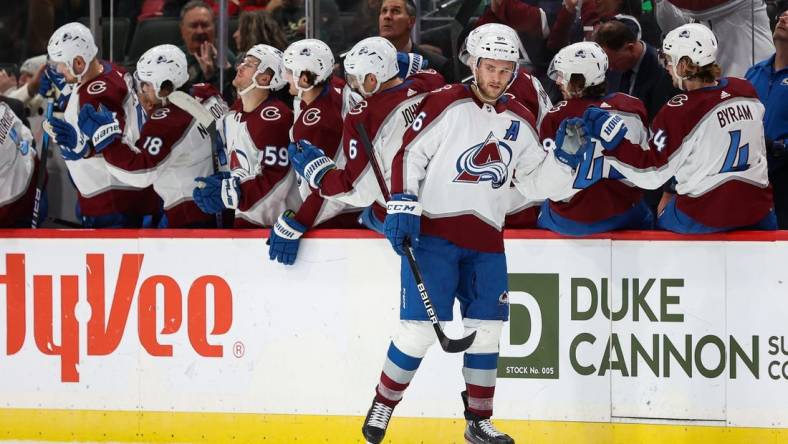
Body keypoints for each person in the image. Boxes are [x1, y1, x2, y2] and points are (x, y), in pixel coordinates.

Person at [353, 25, 566, 444]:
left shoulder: (518, 120)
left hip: (488, 240)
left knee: (487, 330)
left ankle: (478, 421)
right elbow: (409, 153)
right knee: (416, 332)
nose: (497, 79)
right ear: (473, 63)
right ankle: (383, 402)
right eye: (490, 68)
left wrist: (567, 163)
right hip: (435, 236)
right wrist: (402, 204)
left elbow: (538, 182)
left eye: (506, 71)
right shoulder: (444, 103)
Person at [587, 23, 775, 233]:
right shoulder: (745, 88)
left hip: (704, 215)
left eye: (669, 60)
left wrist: (615, 144)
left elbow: (650, 173)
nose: (666, 67)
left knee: (656, 217)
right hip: (759, 210)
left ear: (684, 65)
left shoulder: (678, 110)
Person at [286, 36, 445, 245]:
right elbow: (417, 67)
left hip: (402, 211)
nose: (352, 85)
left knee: (367, 214)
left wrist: (322, 175)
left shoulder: (364, 116)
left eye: (356, 78)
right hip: (444, 195)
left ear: (372, 79)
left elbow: (359, 191)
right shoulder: (431, 80)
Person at [85, 45, 222, 228]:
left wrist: (109, 143)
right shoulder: (207, 93)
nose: (142, 90)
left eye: (146, 84)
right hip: (222, 202)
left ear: (163, 88)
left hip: (190, 215)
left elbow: (141, 172)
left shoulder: (167, 122)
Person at [43, 22, 160, 228]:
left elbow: (113, 143)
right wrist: (68, 92)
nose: (59, 69)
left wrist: (85, 148)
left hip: (112, 199)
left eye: (62, 63)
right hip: (120, 195)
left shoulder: (97, 95)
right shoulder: (109, 69)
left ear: (79, 62)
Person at [535, 41, 653, 235]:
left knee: (542, 207)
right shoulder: (632, 106)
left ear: (578, 80)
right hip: (625, 213)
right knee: (645, 214)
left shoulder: (555, 117)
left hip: (570, 221)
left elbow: (547, 180)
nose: (557, 81)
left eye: (562, 75)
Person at [267, 39, 360, 265]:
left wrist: (300, 221)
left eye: (289, 71)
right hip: (354, 208)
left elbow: (325, 185)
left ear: (306, 79)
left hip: (338, 217)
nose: (285, 76)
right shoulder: (334, 87)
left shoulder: (314, 124)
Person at [192, 44, 299, 227]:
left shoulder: (275, 118)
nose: (240, 66)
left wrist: (231, 194)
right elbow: (241, 168)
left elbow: (277, 177)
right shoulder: (234, 115)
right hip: (245, 223)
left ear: (265, 78)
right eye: (243, 62)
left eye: (249, 64)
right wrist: (223, 184)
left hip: (275, 226)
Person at [459, 23, 554, 229]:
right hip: (525, 200)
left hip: (508, 205)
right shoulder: (527, 81)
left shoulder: (505, 95)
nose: (470, 64)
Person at [654, 0, 775, 77]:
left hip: (758, 78)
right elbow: (673, 27)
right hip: (722, 85)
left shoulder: (704, 8)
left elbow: (699, 9)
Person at [746, 9, 788, 228]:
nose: (782, 19)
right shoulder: (753, 72)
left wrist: (780, 147)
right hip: (752, 177)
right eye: (782, 15)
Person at [595, 16, 680, 123]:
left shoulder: (663, 73)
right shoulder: (613, 67)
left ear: (630, 48)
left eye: (613, 62)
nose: (610, 68)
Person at [378, 0, 454, 81]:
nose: (387, 16)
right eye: (384, 11)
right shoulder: (365, 62)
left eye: (396, 11)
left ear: (411, 21)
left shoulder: (438, 66)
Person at [0, 101, 43, 227]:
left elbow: (25, 135)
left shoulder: (5, 107)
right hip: (29, 185)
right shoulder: (4, 106)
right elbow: (25, 135)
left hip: (14, 206)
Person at [179, 0, 236, 94]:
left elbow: (230, 102)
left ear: (215, 28)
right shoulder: (173, 58)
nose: (200, 31)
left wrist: (211, 77)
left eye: (205, 25)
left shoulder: (227, 60)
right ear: (182, 29)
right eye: (193, 26)